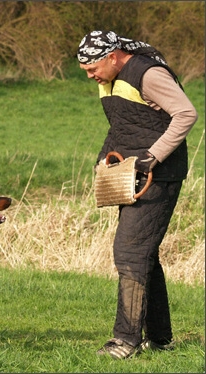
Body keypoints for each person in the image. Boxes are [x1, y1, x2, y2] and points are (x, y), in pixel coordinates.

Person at [77, 30, 197, 359]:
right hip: (131, 175)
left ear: (114, 56)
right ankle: (160, 338)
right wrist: (105, 157)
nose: (90, 76)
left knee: (129, 252)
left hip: (158, 175)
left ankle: (125, 340)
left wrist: (152, 157)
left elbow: (186, 113)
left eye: (93, 68)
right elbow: (122, 125)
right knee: (144, 254)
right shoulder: (109, 79)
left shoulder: (149, 73)